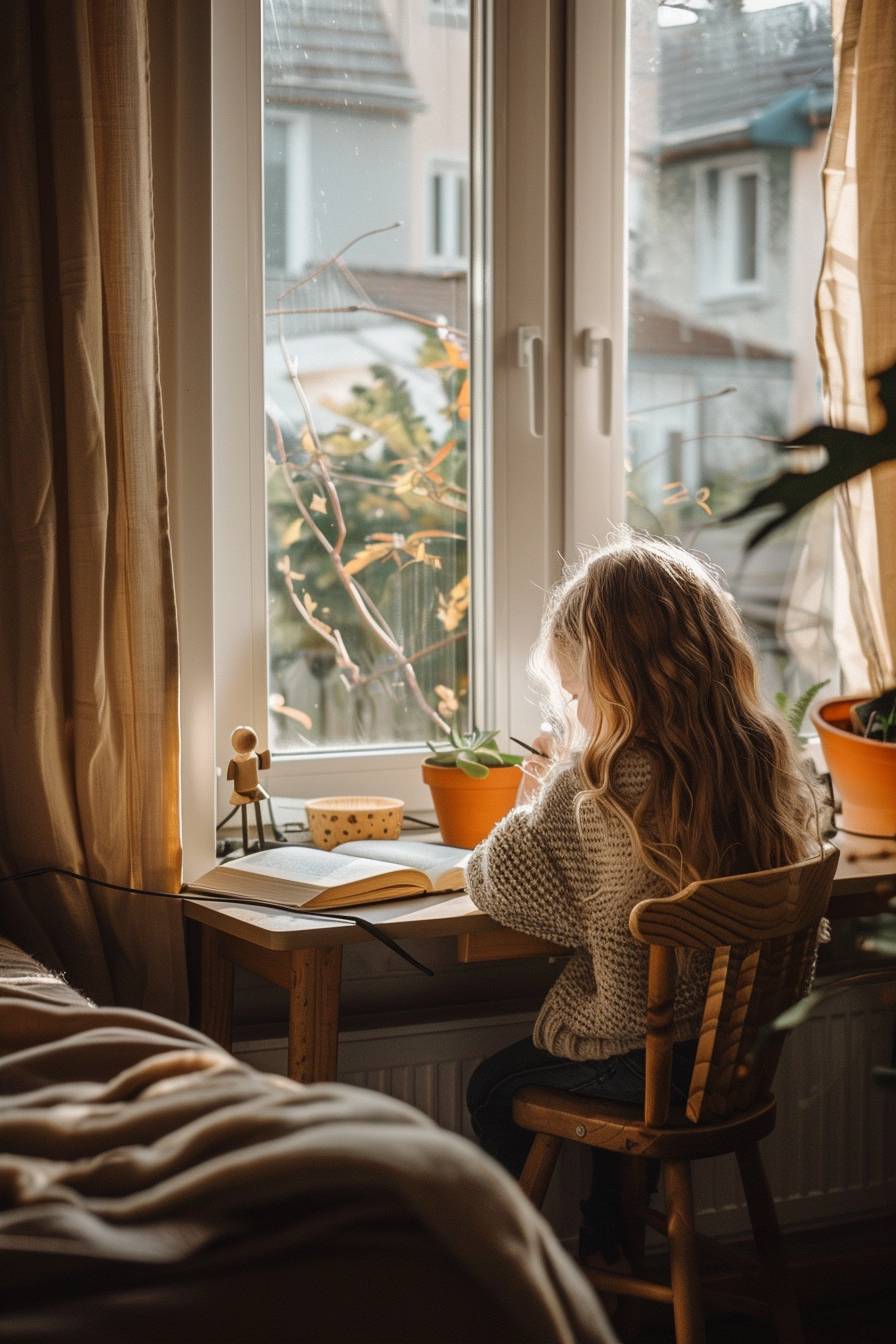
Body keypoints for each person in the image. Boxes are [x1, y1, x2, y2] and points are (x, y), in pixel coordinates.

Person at [465, 534, 823, 1273]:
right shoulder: (757, 754)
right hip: (731, 1055)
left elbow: (496, 879)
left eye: (575, 694)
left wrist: (540, 784)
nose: (574, 710)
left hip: (653, 1060)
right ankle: (611, 1239)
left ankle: (509, 1272)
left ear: (610, 680)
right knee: (643, 1062)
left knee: (494, 1084)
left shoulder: (595, 785)